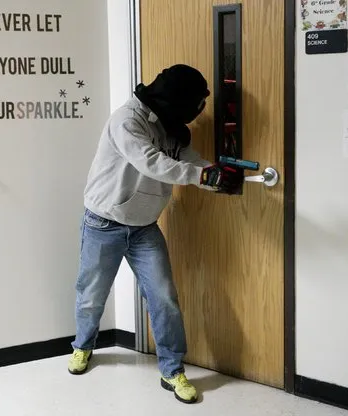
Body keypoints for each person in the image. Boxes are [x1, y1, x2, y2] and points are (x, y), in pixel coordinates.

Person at [67, 64, 240, 404]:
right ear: (175, 99)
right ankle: (83, 346)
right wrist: (201, 177)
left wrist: (217, 173)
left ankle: (172, 369)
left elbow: (188, 159)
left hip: (144, 227)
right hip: (105, 221)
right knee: (91, 296)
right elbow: (151, 163)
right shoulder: (127, 121)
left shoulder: (170, 125)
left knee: (164, 299)